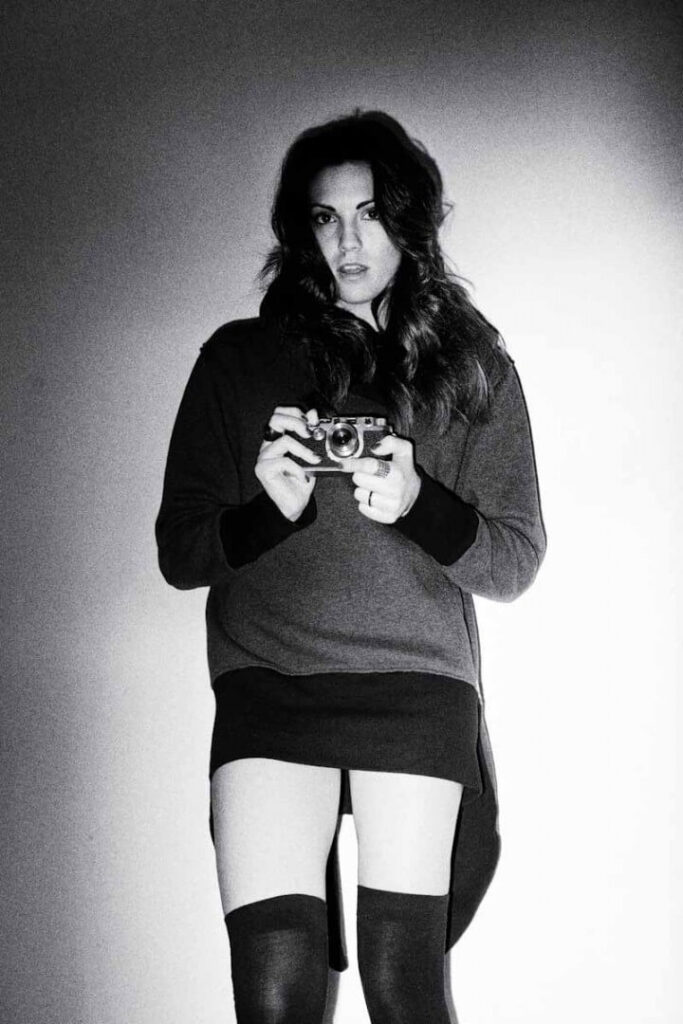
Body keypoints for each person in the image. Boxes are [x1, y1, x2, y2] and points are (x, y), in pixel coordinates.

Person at [155, 110, 546, 1023]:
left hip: (414, 685)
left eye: (370, 214)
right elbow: (180, 552)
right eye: (326, 218)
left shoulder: (469, 366)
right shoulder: (239, 360)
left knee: (402, 985)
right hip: (267, 678)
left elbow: (515, 560)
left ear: (408, 220)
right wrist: (266, 513)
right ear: (301, 230)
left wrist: (419, 504)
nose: (348, 242)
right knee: (273, 989)